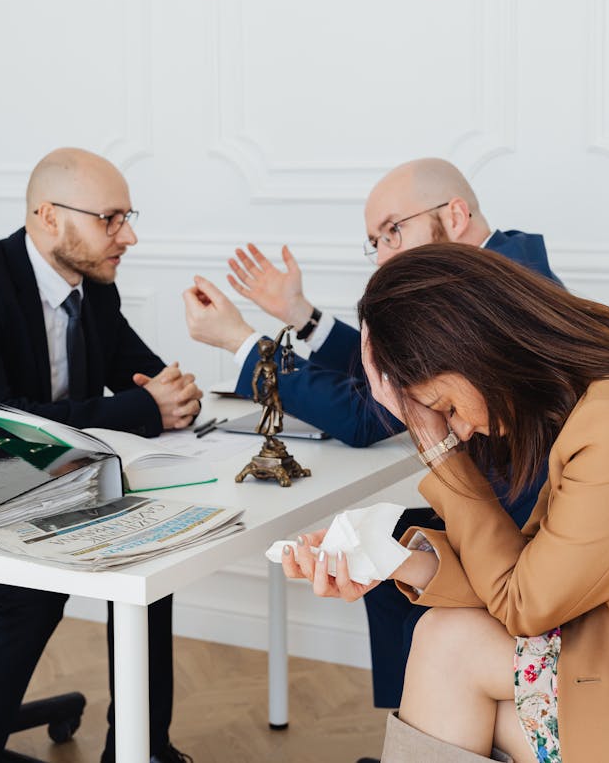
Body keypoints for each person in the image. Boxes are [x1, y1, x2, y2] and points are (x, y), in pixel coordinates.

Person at [183, 158, 562, 722]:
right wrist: (301, 317)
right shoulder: (508, 267)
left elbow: (367, 416)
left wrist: (245, 345)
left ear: (454, 215)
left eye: (393, 231)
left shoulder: (481, 303)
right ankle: (422, 723)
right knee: (390, 541)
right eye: (375, 242)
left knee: (388, 544)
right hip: (522, 510)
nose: (384, 255)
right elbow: (387, 384)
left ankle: (424, 722)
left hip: (527, 530)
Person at [282, 244, 609, 763]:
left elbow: (524, 604)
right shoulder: (597, 397)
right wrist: (391, 561)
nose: (458, 427)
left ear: (476, 345)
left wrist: (438, 449)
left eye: (447, 406)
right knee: (446, 651)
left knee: (445, 671)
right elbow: (533, 567)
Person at [0, 148, 201, 763]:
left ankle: (140, 750)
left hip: (40, 485)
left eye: (127, 217)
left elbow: (144, 380)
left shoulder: (91, 288)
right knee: (29, 597)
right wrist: (145, 408)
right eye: (111, 218)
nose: (129, 236)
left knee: (150, 558)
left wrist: (174, 396)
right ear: (48, 217)